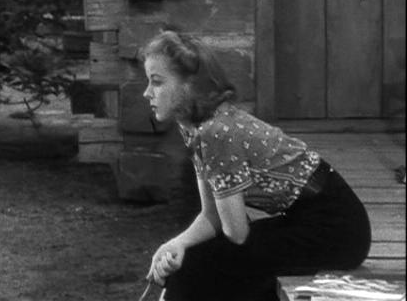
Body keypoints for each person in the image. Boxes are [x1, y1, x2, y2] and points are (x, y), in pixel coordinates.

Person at [140, 30, 371, 301]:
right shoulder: (195, 127)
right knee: (196, 264)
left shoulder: (216, 132)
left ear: (189, 86)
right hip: (305, 218)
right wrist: (175, 244)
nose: (147, 93)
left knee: (200, 269)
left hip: (336, 228)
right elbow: (213, 215)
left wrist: (192, 253)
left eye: (157, 82)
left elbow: (236, 233)